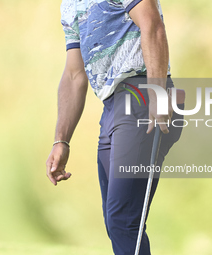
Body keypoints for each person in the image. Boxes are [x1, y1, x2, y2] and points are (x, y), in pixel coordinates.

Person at [46, 0, 184, 254]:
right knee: (116, 223)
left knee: (123, 220)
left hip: (141, 94)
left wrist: (156, 95)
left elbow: (152, 25)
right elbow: (74, 74)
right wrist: (61, 140)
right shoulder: (69, 4)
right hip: (112, 106)